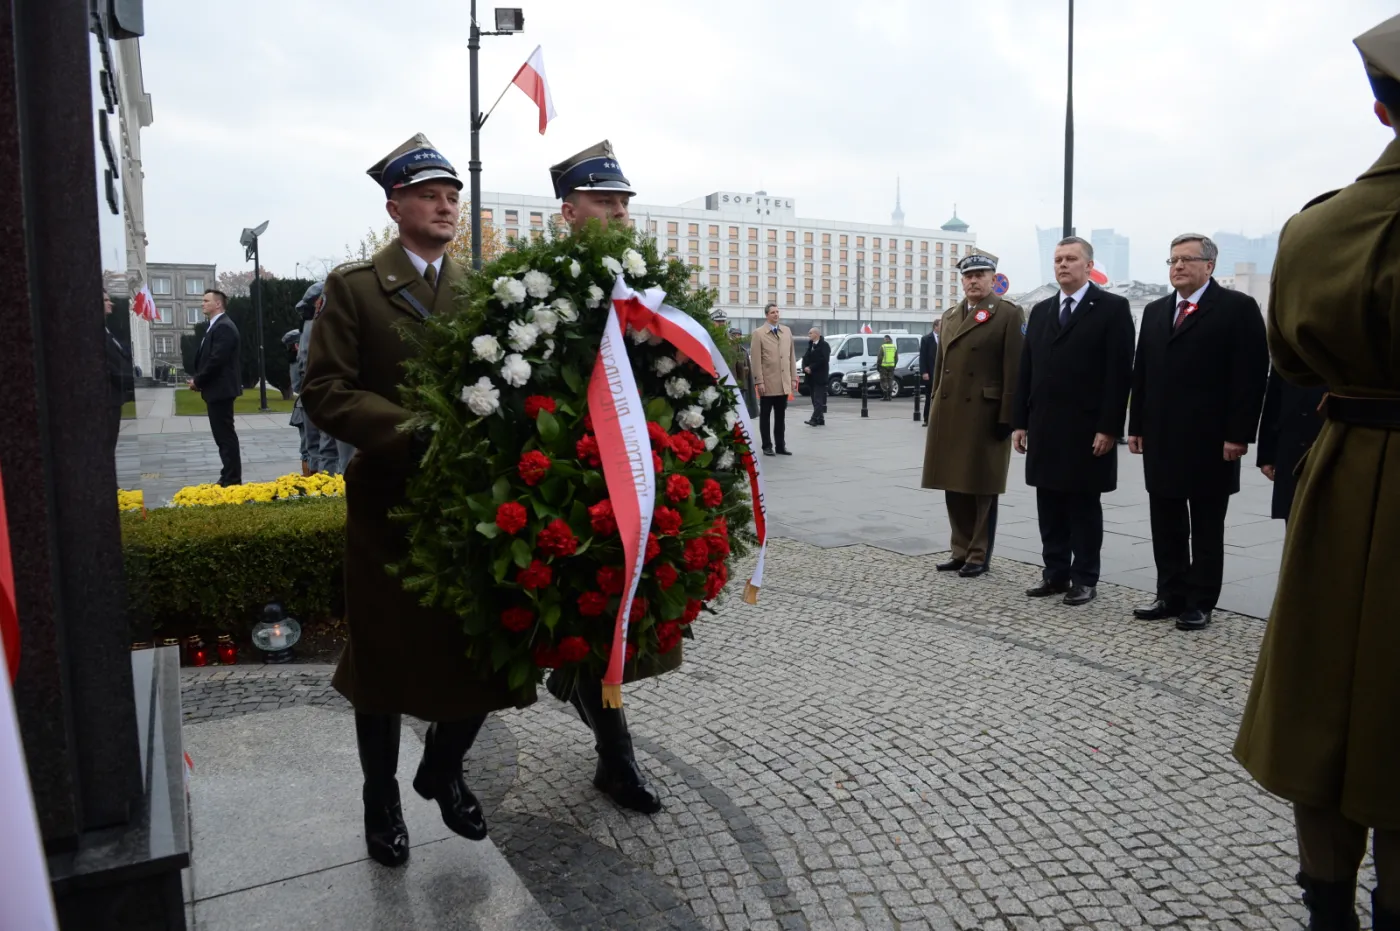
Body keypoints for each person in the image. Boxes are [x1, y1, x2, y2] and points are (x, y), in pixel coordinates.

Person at [304, 133, 513, 868]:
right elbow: (324, 389)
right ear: (395, 205)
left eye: (453, 196)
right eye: (430, 194)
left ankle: (441, 768)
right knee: (384, 663)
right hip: (389, 504)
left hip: (466, 504)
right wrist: (407, 431)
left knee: (487, 650)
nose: (446, 205)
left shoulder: (481, 292)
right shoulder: (356, 285)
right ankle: (380, 796)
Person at [1234, 15, 1400, 928]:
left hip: (1347, 473)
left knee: (1324, 687)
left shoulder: (1318, 229)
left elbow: (1295, 363)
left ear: (1380, 108)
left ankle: (1326, 898)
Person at [537, 139, 671, 814]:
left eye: (624, 201)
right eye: (604, 201)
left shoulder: (642, 276)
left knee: (607, 619)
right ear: (569, 210)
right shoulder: (542, 283)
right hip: (569, 475)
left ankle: (612, 751)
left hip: (638, 472)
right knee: (579, 616)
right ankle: (616, 756)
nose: (619, 212)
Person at [1127, 234, 1269, 631]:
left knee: (1207, 524)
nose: (1178, 267)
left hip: (1212, 439)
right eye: (1172, 260)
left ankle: (1200, 600)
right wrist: (1136, 425)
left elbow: (1250, 375)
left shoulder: (1237, 309)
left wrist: (1238, 434)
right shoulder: (1156, 311)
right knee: (1166, 520)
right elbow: (1143, 374)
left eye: (1187, 260)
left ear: (1210, 266)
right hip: (1162, 436)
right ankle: (1169, 593)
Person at [1012, 236, 1134, 607]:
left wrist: (1109, 427)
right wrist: (1020, 422)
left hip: (1086, 429)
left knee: (1083, 506)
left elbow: (1119, 373)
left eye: (1070, 259)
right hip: (1045, 426)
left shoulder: (1112, 308)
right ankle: (1054, 572)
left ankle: (1084, 577)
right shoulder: (1042, 310)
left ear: (1087, 265)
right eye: (1058, 259)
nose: (1062, 265)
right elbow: (1027, 369)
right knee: (1048, 504)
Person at [921, 251, 1025, 578]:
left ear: (993, 279)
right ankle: (960, 549)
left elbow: (1015, 370)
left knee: (982, 486)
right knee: (953, 483)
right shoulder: (951, 315)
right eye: (968, 276)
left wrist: (1009, 418)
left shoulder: (1007, 313)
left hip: (985, 412)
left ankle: (979, 554)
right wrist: (935, 404)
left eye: (980, 275)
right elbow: (940, 369)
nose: (973, 281)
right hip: (951, 412)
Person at [1255, 366, 1327, 524]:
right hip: (1292, 444)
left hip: (1328, 441)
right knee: (1293, 515)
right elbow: (1273, 403)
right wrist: (1267, 456)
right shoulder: (1288, 347)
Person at [189, 289, 242, 486]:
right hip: (217, 389)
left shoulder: (224, 327)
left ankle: (231, 478)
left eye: (206, 300)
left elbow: (216, 360)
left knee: (225, 436)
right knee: (222, 435)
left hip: (221, 390)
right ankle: (229, 475)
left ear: (218, 304)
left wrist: (198, 381)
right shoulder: (215, 326)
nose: (202, 303)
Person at [750, 303, 797, 456]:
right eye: (772, 312)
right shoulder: (759, 333)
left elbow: (791, 356)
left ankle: (780, 445)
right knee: (765, 415)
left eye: (777, 312)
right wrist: (759, 381)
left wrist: (793, 377)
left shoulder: (787, 331)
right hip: (767, 382)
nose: (776, 315)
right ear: (766, 315)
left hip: (783, 382)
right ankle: (767, 446)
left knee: (780, 416)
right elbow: (756, 360)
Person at [102, 288, 133, 460]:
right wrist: (130, 380)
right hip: (107, 398)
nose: (111, 303)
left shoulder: (107, 331)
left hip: (115, 397)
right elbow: (109, 367)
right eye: (106, 300)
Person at [729, 326, 758, 420]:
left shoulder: (743, 351)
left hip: (742, 385)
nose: (737, 337)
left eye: (738, 335)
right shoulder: (727, 350)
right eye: (734, 335)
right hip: (730, 385)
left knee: (742, 412)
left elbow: (747, 370)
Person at [802, 327, 830, 425]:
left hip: (820, 377)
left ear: (816, 334)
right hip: (810, 377)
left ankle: (814, 419)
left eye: (810, 333)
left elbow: (823, 360)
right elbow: (805, 358)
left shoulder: (824, 345)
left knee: (818, 399)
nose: (809, 335)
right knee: (814, 399)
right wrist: (805, 367)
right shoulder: (810, 345)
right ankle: (821, 419)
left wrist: (811, 368)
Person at [919, 319, 941, 427]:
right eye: (941, 325)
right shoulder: (926, 339)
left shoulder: (945, 338)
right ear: (935, 327)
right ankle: (927, 419)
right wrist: (924, 372)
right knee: (929, 397)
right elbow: (922, 357)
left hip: (941, 373)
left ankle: (939, 419)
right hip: (930, 372)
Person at [877, 334, 898, 400]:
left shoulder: (883, 347)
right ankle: (890, 396)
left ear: (886, 339)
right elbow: (896, 358)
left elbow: (880, 357)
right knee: (890, 380)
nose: (884, 340)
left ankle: (885, 395)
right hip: (891, 366)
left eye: (885, 339)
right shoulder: (894, 347)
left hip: (883, 367)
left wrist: (878, 365)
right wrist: (894, 365)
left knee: (884, 381)